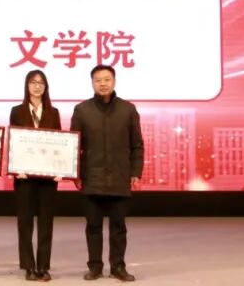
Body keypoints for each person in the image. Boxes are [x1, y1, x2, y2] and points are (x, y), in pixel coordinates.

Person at [70, 65, 144, 282]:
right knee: (93, 226)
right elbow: (74, 145)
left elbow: (137, 144)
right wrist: (75, 173)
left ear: (114, 81)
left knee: (118, 227)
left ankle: (118, 266)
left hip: (120, 177)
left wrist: (136, 172)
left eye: (107, 79)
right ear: (92, 83)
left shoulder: (128, 110)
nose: (103, 84)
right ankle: (95, 266)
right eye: (98, 80)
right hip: (91, 177)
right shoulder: (82, 110)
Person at [8, 70, 62, 282]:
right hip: (24, 176)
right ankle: (29, 266)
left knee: (46, 223)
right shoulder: (17, 111)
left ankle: (43, 266)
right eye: (33, 82)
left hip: (48, 178)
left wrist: (60, 169)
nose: (37, 86)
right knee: (25, 223)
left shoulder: (53, 112)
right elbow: (14, 140)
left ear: (46, 87)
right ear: (27, 86)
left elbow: (60, 143)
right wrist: (16, 166)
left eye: (41, 83)